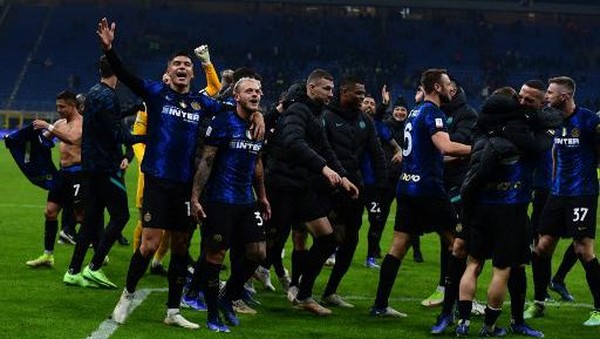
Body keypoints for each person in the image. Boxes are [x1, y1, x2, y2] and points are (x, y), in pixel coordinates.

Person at [100, 17, 263, 329]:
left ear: (191, 72)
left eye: (187, 64)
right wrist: (110, 50)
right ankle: (127, 296)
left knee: (180, 248)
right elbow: (125, 75)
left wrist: (260, 115)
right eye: (177, 64)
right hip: (158, 183)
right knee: (148, 244)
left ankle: (173, 311)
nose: (183, 67)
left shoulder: (200, 102)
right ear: (169, 71)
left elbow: (235, 107)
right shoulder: (156, 94)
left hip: (186, 187)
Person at [454, 85, 555, 337]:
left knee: (473, 264)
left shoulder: (483, 129)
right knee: (504, 269)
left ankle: (463, 323)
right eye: (519, 98)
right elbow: (542, 151)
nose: (522, 102)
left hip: (481, 207)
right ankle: (489, 327)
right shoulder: (528, 132)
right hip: (511, 209)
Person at [370, 68, 471, 318]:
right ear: (436, 87)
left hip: (406, 186)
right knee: (459, 244)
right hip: (429, 189)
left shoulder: (413, 112)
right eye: (447, 85)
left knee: (398, 247)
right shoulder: (432, 113)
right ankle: (463, 303)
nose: (450, 89)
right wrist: (478, 148)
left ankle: (380, 305)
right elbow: (445, 146)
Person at [265, 69, 358, 316]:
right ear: (312, 88)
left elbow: (326, 148)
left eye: (332, 89)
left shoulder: (316, 115)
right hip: (282, 187)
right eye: (327, 89)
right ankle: (228, 293)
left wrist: (344, 177)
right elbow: (293, 142)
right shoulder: (297, 111)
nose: (331, 94)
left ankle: (304, 294)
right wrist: (324, 169)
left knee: (328, 238)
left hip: (301, 188)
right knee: (263, 249)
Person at [190, 77, 270, 333]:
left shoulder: (258, 125)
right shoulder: (223, 122)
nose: (255, 95)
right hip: (221, 200)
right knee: (215, 256)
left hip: (247, 200)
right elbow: (207, 161)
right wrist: (195, 198)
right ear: (236, 96)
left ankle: (227, 297)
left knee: (258, 253)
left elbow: (256, 162)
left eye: (258, 91)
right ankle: (213, 315)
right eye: (249, 91)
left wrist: (262, 196)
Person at [63, 52, 144, 288]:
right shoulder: (108, 96)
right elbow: (116, 133)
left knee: (91, 219)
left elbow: (105, 122)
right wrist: (146, 137)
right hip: (106, 167)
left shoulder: (93, 93)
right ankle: (95, 267)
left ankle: (73, 270)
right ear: (117, 71)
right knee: (121, 216)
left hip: (90, 167)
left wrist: (129, 112)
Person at [528, 76, 600, 327]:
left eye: (550, 92)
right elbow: (554, 153)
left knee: (583, 249)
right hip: (557, 193)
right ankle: (538, 302)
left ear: (564, 96)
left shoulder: (590, 120)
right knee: (542, 246)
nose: (546, 96)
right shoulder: (551, 120)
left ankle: (599, 309)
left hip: (583, 193)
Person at [319, 76, 387, 308]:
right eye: (357, 93)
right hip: (326, 187)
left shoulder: (365, 121)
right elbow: (324, 151)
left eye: (363, 93)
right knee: (326, 241)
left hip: (355, 189)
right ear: (344, 92)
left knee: (350, 239)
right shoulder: (326, 116)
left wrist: (381, 184)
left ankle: (330, 291)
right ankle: (301, 285)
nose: (361, 98)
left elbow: (377, 153)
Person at [26, 91, 83, 268]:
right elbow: (43, 141)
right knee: (50, 212)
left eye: (62, 106)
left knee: (82, 217)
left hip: (80, 175)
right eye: (57, 106)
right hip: (62, 174)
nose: (58, 110)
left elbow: (73, 139)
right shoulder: (59, 123)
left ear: (72, 106)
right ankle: (48, 256)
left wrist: (48, 127)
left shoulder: (82, 123)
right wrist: (25, 141)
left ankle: (99, 253)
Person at [360, 87, 402, 270]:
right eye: (366, 102)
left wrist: (399, 151)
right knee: (346, 222)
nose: (369, 106)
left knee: (376, 220)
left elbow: (394, 144)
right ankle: (333, 253)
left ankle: (370, 257)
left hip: (373, 183)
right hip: (353, 180)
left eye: (371, 103)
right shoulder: (349, 121)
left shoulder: (378, 125)